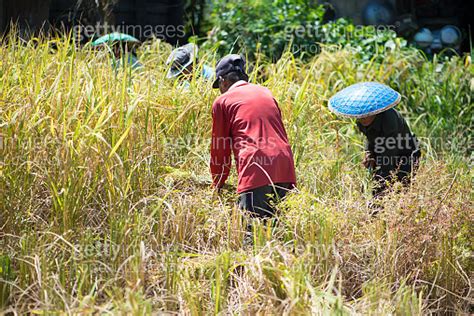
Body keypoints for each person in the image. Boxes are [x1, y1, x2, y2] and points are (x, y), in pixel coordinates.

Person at [210, 54, 296, 218]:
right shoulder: (266, 93)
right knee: (281, 232)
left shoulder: (223, 101)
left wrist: (217, 184)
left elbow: (220, 150)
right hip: (284, 166)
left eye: (219, 85)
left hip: (256, 167)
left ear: (223, 81)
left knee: (253, 235)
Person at [357, 108, 421, 197]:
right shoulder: (361, 121)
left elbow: (387, 161)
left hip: (405, 155)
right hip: (383, 153)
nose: (362, 118)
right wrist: (368, 152)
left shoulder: (389, 120)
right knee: (376, 191)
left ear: (374, 110)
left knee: (399, 192)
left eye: (366, 115)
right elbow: (369, 138)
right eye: (360, 115)